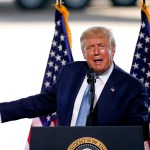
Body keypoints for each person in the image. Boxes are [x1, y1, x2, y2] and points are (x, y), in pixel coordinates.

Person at [0, 26, 149, 140]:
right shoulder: (70, 73)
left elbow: (135, 133)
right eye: (90, 47)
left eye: (102, 46)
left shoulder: (132, 87)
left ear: (113, 51)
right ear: (84, 53)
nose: (96, 52)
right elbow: (42, 102)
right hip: (65, 146)